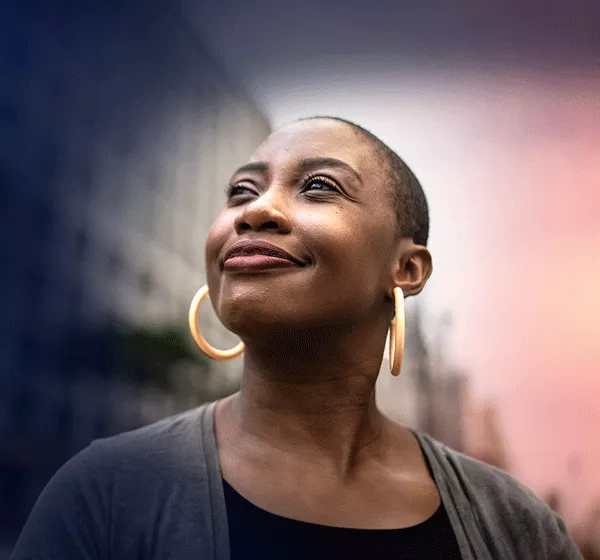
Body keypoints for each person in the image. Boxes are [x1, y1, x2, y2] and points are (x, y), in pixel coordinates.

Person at [11, 117, 582, 559]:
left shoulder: (516, 527)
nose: (255, 210)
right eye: (240, 192)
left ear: (406, 269)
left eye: (317, 186)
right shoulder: (105, 494)